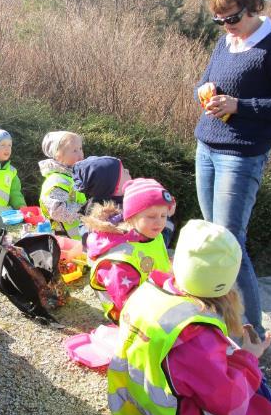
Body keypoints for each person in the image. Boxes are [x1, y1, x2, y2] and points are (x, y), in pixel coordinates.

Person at [107, 219, 271, 415]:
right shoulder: (197, 335)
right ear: (226, 283)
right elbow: (231, 406)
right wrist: (249, 358)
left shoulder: (146, 292)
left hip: (137, 407)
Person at [195, 0, 271, 340]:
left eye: (232, 18)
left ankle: (252, 332)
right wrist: (206, 91)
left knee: (230, 242)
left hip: (241, 156)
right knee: (214, 239)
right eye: (220, 20)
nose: (227, 27)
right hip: (207, 146)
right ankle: (221, 319)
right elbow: (206, 78)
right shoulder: (226, 42)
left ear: (253, 6)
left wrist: (240, 105)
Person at [82, 178, 174, 320]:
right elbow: (126, 301)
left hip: (161, 300)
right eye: (151, 216)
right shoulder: (120, 257)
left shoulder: (153, 235)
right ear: (130, 218)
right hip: (134, 317)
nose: (160, 222)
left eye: (163, 216)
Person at [73, 156, 175, 247]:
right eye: (123, 171)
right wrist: (167, 216)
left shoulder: (93, 206)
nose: (127, 170)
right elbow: (153, 243)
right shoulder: (119, 213)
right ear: (116, 187)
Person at [39, 130, 86, 240]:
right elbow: (57, 211)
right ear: (58, 155)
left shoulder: (71, 177)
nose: (80, 154)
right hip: (65, 241)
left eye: (80, 148)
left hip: (77, 239)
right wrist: (85, 209)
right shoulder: (57, 180)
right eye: (74, 150)